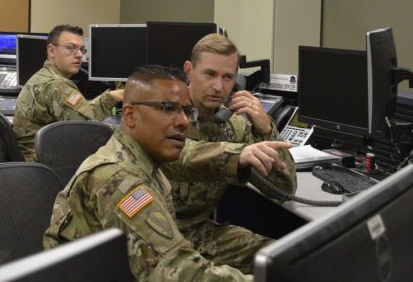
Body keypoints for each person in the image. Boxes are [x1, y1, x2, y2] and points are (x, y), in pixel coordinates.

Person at [44, 65, 292, 281]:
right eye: (168, 109)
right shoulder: (118, 178)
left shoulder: (144, 157)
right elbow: (176, 274)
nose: (184, 121)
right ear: (130, 115)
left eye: (186, 110)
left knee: (275, 258)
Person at [175, 33, 298, 273]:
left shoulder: (234, 126)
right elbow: (180, 156)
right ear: (189, 70)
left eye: (227, 77)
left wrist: (265, 129)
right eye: (209, 74)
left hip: (197, 232)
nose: (218, 86)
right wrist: (237, 156)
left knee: (280, 261)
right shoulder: (163, 109)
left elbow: (284, 190)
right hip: (153, 233)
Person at [13, 24, 123, 161]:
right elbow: (88, 131)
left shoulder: (43, 76)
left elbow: (83, 116)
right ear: (51, 51)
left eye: (82, 49)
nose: (79, 55)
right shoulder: (58, 86)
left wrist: (112, 96)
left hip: (36, 161)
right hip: (49, 165)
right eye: (71, 48)